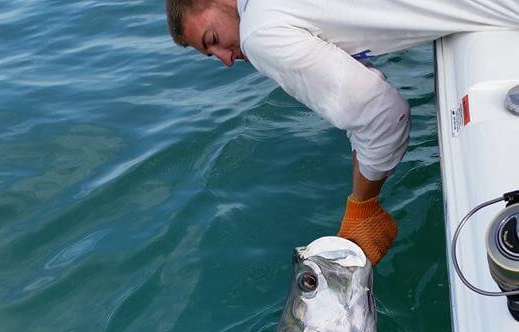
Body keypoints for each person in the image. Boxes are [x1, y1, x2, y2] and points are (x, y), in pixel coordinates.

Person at [166, 0, 518, 265]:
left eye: (212, 39)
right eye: (211, 55)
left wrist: (363, 206)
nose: (225, 58)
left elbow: (382, 115)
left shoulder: (260, 32)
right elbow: (361, 112)